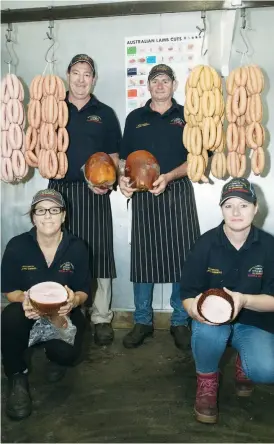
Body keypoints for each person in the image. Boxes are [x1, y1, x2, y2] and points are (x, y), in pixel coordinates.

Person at [119, 64, 200, 349]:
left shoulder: (188, 116)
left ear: (174, 85)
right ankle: (142, 321)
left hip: (177, 191)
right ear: (148, 86)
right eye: (155, 80)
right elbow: (123, 160)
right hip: (142, 195)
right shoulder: (134, 118)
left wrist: (169, 175)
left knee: (183, 257)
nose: (160, 85)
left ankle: (180, 321)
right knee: (143, 258)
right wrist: (122, 180)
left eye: (166, 80)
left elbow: (199, 159)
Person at [180, 178, 274, 424]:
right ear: (221, 209)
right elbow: (187, 294)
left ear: (256, 208)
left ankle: (245, 361)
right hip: (212, 322)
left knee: (266, 369)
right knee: (206, 333)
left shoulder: (269, 246)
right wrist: (195, 311)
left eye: (243, 205)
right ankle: (207, 381)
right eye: (229, 205)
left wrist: (242, 300)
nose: (235, 212)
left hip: (254, 322)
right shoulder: (205, 244)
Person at [48, 54, 121, 346]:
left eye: (87, 74)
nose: (81, 79)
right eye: (76, 73)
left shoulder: (104, 113)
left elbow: (114, 157)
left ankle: (101, 317)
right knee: (60, 255)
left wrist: (108, 182)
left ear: (94, 79)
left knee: (100, 252)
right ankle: (64, 315)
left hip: (94, 193)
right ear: (68, 75)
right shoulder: (53, 109)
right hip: (59, 190)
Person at [1, 189, 90, 420]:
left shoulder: (77, 247)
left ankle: (55, 356)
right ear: (33, 216)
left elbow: (83, 291)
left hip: (62, 313)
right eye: (40, 210)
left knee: (67, 353)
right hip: (27, 311)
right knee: (9, 317)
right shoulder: (17, 246)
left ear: (63, 216)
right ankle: (17, 376)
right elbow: (9, 290)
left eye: (54, 210)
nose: (47, 216)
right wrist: (24, 300)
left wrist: (74, 301)